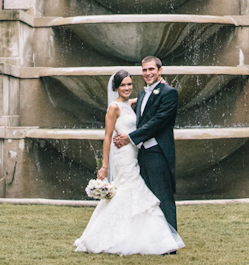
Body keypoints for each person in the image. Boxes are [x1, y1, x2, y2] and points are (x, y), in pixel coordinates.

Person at [75, 67, 183, 255]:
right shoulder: (114, 107)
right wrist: (105, 165)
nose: (127, 88)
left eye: (129, 84)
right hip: (123, 156)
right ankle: (113, 235)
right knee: (130, 190)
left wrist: (161, 86)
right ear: (116, 88)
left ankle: (139, 234)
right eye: (123, 85)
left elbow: (145, 99)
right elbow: (107, 137)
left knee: (131, 192)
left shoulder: (130, 103)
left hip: (135, 153)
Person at [113, 56, 180, 232]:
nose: (148, 73)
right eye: (145, 70)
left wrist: (130, 137)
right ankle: (154, 238)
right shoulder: (142, 95)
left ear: (160, 70)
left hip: (158, 153)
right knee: (147, 197)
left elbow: (158, 121)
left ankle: (171, 239)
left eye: (151, 69)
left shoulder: (169, 93)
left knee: (163, 197)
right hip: (140, 153)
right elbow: (137, 115)